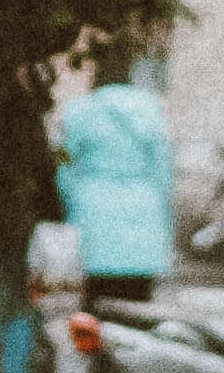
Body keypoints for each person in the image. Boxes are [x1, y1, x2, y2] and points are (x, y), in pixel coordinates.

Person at [51, 59, 178, 314]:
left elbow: (65, 163)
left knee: (96, 304)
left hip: (95, 208)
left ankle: (97, 349)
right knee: (139, 305)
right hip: (144, 209)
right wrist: (166, 213)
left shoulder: (80, 110)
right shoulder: (150, 109)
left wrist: (67, 203)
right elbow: (163, 168)